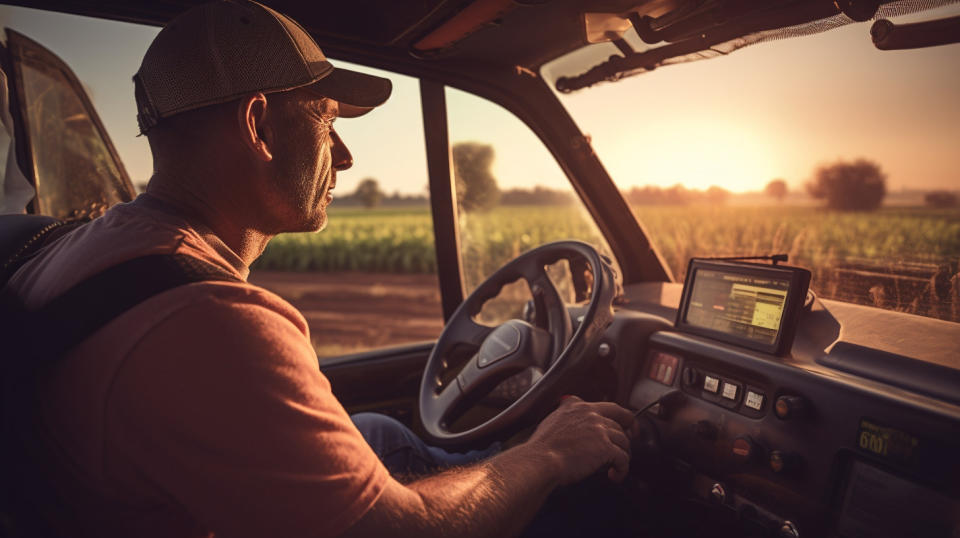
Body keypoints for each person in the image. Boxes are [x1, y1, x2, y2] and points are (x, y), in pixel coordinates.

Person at [5, 1, 637, 536]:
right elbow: (402, 530)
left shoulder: (90, 246)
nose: (345, 155)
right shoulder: (210, 322)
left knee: (380, 433)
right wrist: (548, 454)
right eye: (327, 120)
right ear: (259, 126)